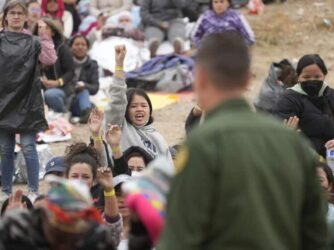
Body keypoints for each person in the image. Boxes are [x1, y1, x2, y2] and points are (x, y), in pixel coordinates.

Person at [158, 33, 328, 249]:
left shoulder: (201, 146)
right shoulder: (293, 143)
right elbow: (316, 232)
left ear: (199, 78)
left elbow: (180, 238)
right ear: (248, 78)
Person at [0, 0, 57, 201]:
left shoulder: (33, 41)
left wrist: (45, 37)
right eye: (12, 13)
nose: (16, 16)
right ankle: (7, 193)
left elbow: (50, 60)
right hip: (1, 102)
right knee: (6, 149)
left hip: (26, 101)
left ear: (25, 17)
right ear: (5, 16)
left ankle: (33, 191)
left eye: (20, 13)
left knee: (28, 147)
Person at [0, 178, 116, 250]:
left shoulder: (97, 237)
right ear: (46, 215)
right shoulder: (18, 229)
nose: (66, 234)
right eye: (60, 227)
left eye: (73, 228)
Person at [105, 45, 172, 162]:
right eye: (133, 106)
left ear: (150, 110)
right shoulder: (119, 128)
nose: (139, 109)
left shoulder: (158, 138)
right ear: (125, 110)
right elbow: (117, 100)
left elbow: (168, 169)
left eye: (144, 105)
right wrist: (119, 64)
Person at [274, 54, 334, 157]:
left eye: (317, 76)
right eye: (306, 77)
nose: (312, 80)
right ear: (298, 77)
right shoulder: (288, 100)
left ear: (324, 75)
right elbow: (282, 136)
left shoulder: (330, 95)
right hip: (304, 158)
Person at [64, 142, 123, 246]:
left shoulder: (96, 213)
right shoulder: (55, 209)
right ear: (66, 178)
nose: (79, 181)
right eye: (74, 176)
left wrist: (109, 189)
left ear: (93, 180)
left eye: (85, 177)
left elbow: (113, 228)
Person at [32, 17, 74, 114]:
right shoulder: (32, 48)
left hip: (60, 89)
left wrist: (58, 82)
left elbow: (70, 72)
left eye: (46, 28)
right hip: (39, 89)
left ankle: (64, 114)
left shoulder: (61, 48)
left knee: (50, 95)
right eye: (40, 27)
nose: (42, 30)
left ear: (53, 32)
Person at [69, 35, 99, 123]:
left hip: (80, 100)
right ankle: (87, 113)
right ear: (71, 47)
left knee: (84, 91)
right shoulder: (65, 62)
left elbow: (95, 88)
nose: (80, 47)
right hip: (67, 98)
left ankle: (86, 114)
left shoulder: (92, 65)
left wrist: (84, 85)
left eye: (83, 44)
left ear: (87, 48)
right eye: (77, 44)